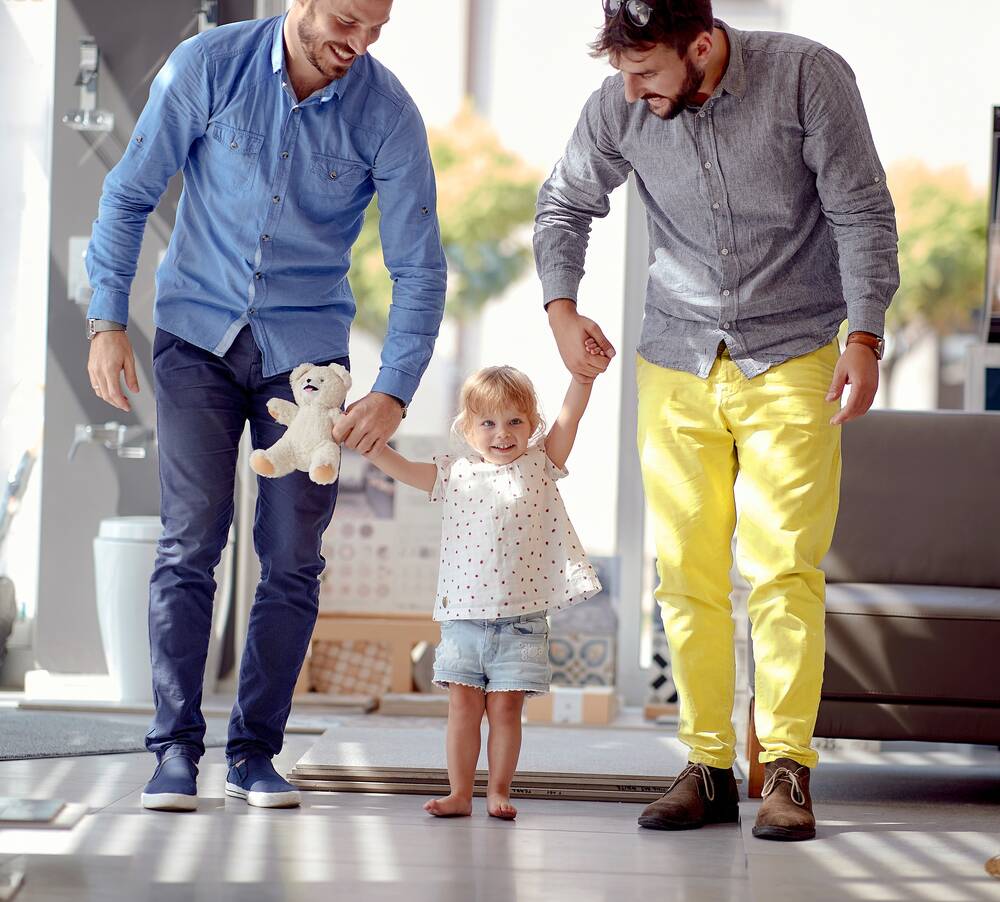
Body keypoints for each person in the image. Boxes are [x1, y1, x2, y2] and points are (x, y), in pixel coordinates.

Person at [534, 0, 898, 840]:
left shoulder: (807, 75)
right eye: (621, 72)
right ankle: (704, 766)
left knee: (783, 571)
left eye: (648, 71)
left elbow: (861, 209)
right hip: (676, 357)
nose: (632, 90)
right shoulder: (619, 100)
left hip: (796, 348)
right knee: (685, 576)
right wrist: (561, 309)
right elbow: (563, 202)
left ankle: (788, 771)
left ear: (701, 44)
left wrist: (867, 335)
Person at [84, 0, 446, 811]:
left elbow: (420, 266)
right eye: (348, 21)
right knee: (192, 537)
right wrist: (107, 319)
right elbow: (128, 191)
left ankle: (254, 753)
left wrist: (393, 389)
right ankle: (173, 751)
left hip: (307, 358)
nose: (359, 44)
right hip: (196, 336)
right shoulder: (208, 66)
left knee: (292, 554)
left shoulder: (386, 113)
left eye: (377, 30)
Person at [363, 366, 602, 819]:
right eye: (488, 423)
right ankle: (458, 793)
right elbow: (403, 469)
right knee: (462, 708)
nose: (502, 434)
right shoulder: (454, 473)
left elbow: (570, 419)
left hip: (522, 620)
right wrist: (373, 449)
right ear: (466, 427)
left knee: (507, 711)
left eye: (515, 421)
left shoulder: (540, 463)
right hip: (464, 620)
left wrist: (582, 379)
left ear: (532, 425)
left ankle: (498, 791)